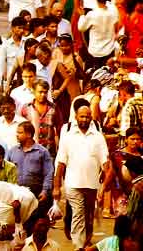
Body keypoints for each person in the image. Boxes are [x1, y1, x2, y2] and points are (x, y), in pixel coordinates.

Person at [54, 100, 110, 251]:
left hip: (92, 184)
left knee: (89, 216)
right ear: (76, 117)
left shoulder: (97, 137)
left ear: (91, 117)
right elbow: (60, 163)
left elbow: (105, 163)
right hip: (73, 184)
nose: (84, 119)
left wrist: (104, 184)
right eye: (82, 116)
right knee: (78, 214)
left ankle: (86, 241)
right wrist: (56, 187)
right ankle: (78, 246)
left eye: (87, 116)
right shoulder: (68, 136)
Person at [7, 121, 54, 232]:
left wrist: (45, 191)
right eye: (17, 132)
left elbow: (49, 173)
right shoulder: (12, 151)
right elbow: (6, 171)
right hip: (17, 195)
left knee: (35, 226)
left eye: (20, 132)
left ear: (29, 134)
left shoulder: (42, 152)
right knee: (18, 225)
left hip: (36, 194)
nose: (17, 135)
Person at [78, 0, 120, 69]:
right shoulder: (113, 12)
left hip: (95, 52)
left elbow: (81, 28)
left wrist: (82, 15)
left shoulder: (92, 14)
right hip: (109, 51)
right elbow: (116, 27)